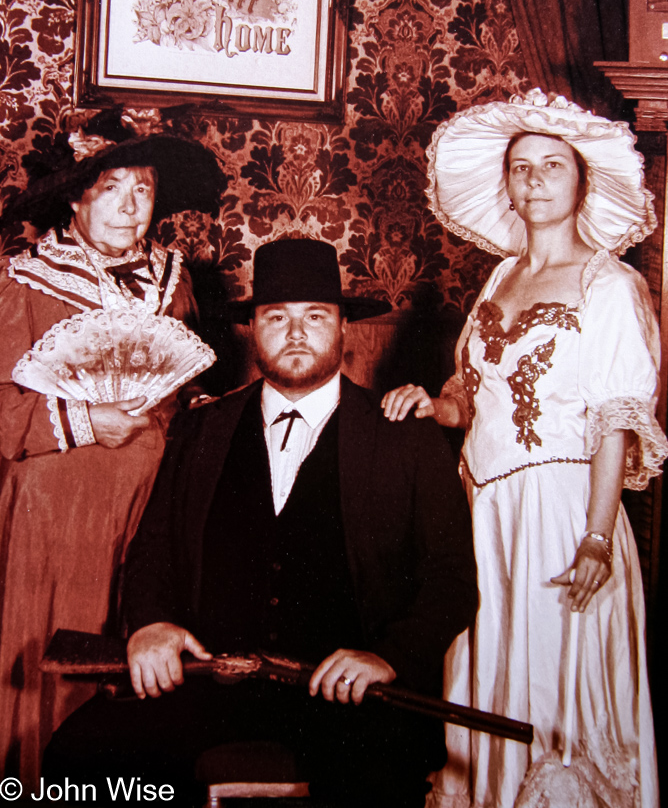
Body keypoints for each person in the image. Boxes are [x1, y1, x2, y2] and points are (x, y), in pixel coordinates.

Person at [44, 237, 478, 808]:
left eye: (315, 316)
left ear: (345, 328)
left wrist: (389, 658)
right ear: (253, 328)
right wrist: (150, 623)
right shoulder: (201, 430)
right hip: (209, 682)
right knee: (77, 759)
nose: (296, 333)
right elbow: (153, 551)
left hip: (348, 695)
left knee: (375, 780)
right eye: (278, 317)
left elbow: (451, 579)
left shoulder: (405, 436)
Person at [382, 89, 666, 808]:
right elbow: (473, 395)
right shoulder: (501, 277)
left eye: (551, 165)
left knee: (555, 693)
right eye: (520, 167)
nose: (534, 180)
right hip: (482, 512)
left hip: (564, 514)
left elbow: (614, 420)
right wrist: (434, 404)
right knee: (485, 679)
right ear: (506, 184)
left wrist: (597, 538)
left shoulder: (612, 285)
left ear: (581, 181)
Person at [0, 110, 224, 792]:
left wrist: (205, 414)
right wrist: (82, 418)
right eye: (111, 186)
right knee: (52, 672)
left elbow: (179, 386)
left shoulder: (174, 280)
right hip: (54, 517)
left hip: (151, 507)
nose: (130, 205)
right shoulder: (23, 282)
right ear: (75, 196)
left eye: (144, 189)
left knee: (139, 671)